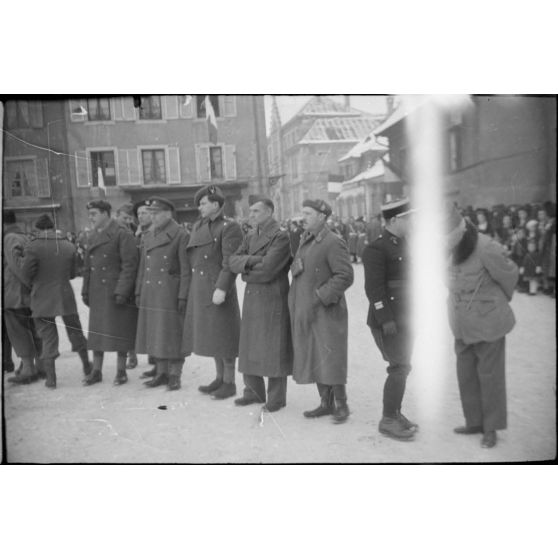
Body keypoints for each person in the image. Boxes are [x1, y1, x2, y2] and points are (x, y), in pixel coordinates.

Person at [445, 204, 518, 449]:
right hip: (461, 323)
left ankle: (491, 428)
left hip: (488, 322)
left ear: (460, 229)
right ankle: (474, 421)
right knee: (466, 374)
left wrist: (495, 303)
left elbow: (509, 275)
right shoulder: (445, 248)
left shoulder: (486, 246)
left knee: (490, 376)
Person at [288, 199, 354, 423]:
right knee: (315, 353)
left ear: (322, 217)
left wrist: (320, 297)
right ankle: (325, 403)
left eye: (308, 213)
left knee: (331, 355)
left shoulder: (333, 241)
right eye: (302, 213)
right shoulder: (305, 240)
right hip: (308, 310)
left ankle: (341, 404)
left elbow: (345, 276)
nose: (303, 217)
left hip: (327, 311)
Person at [229, 196, 293, 412]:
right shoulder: (250, 235)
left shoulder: (280, 236)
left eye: (256, 211)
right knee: (250, 344)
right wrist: (252, 262)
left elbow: (268, 270)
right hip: (254, 298)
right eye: (251, 211)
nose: (251, 215)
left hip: (273, 297)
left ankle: (276, 397)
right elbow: (232, 261)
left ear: (269, 212)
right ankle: (253, 391)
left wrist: (245, 267)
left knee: (274, 347)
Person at [362, 199, 417, 441]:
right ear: (394, 220)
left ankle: (395, 413)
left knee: (403, 367)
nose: (413, 222)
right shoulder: (377, 248)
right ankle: (388, 419)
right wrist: (386, 319)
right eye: (408, 218)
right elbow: (374, 290)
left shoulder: (406, 244)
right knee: (399, 367)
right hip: (390, 320)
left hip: (407, 317)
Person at [182, 185, 243, 399]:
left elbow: (230, 262)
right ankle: (219, 378)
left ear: (216, 204)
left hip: (219, 288)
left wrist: (222, 287)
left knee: (224, 336)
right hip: (201, 288)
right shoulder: (199, 226)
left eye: (203, 203)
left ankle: (229, 382)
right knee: (212, 336)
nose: (200, 207)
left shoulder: (229, 227)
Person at [20, 214, 91, 388]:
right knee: (75, 331)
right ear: (52, 227)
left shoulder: (32, 247)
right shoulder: (68, 245)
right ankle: (87, 367)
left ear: (38, 228)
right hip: (64, 294)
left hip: (41, 296)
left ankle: (51, 379)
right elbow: (73, 273)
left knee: (48, 337)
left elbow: (25, 274)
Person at [135, 197, 190, 390]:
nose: (152, 217)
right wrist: (138, 291)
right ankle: (161, 372)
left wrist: (183, 295)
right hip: (151, 291)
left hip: (169, 291)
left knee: (172, 334)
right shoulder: (148, 235)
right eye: (150, 213)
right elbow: (144, 267)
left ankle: (175, 375)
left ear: (168, 214)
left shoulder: (180, 234)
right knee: (156, 332)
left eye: (156, 213)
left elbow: (186, 269)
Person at [81, 200, 139, 386]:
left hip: (115, 292)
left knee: (119, 332)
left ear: (106, 213)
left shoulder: (122, 233)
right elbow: (88, 267)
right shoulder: (92, 236)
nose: (91, 218)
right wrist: (85, 290)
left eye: (94, 214)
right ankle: (96, 371)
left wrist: (122, 290)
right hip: (98, 291)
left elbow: (129, 265)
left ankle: (121, 371)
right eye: (89, 214)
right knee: (98, 333)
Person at [3, 209, 43, 384]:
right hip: (26, 293)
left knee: (18, 331)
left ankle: (28, 369)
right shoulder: (24, 235)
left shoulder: (9, 238)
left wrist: (28, 284)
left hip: (15, 294)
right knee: (34, 330)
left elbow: (18, 265)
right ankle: (40, 366)